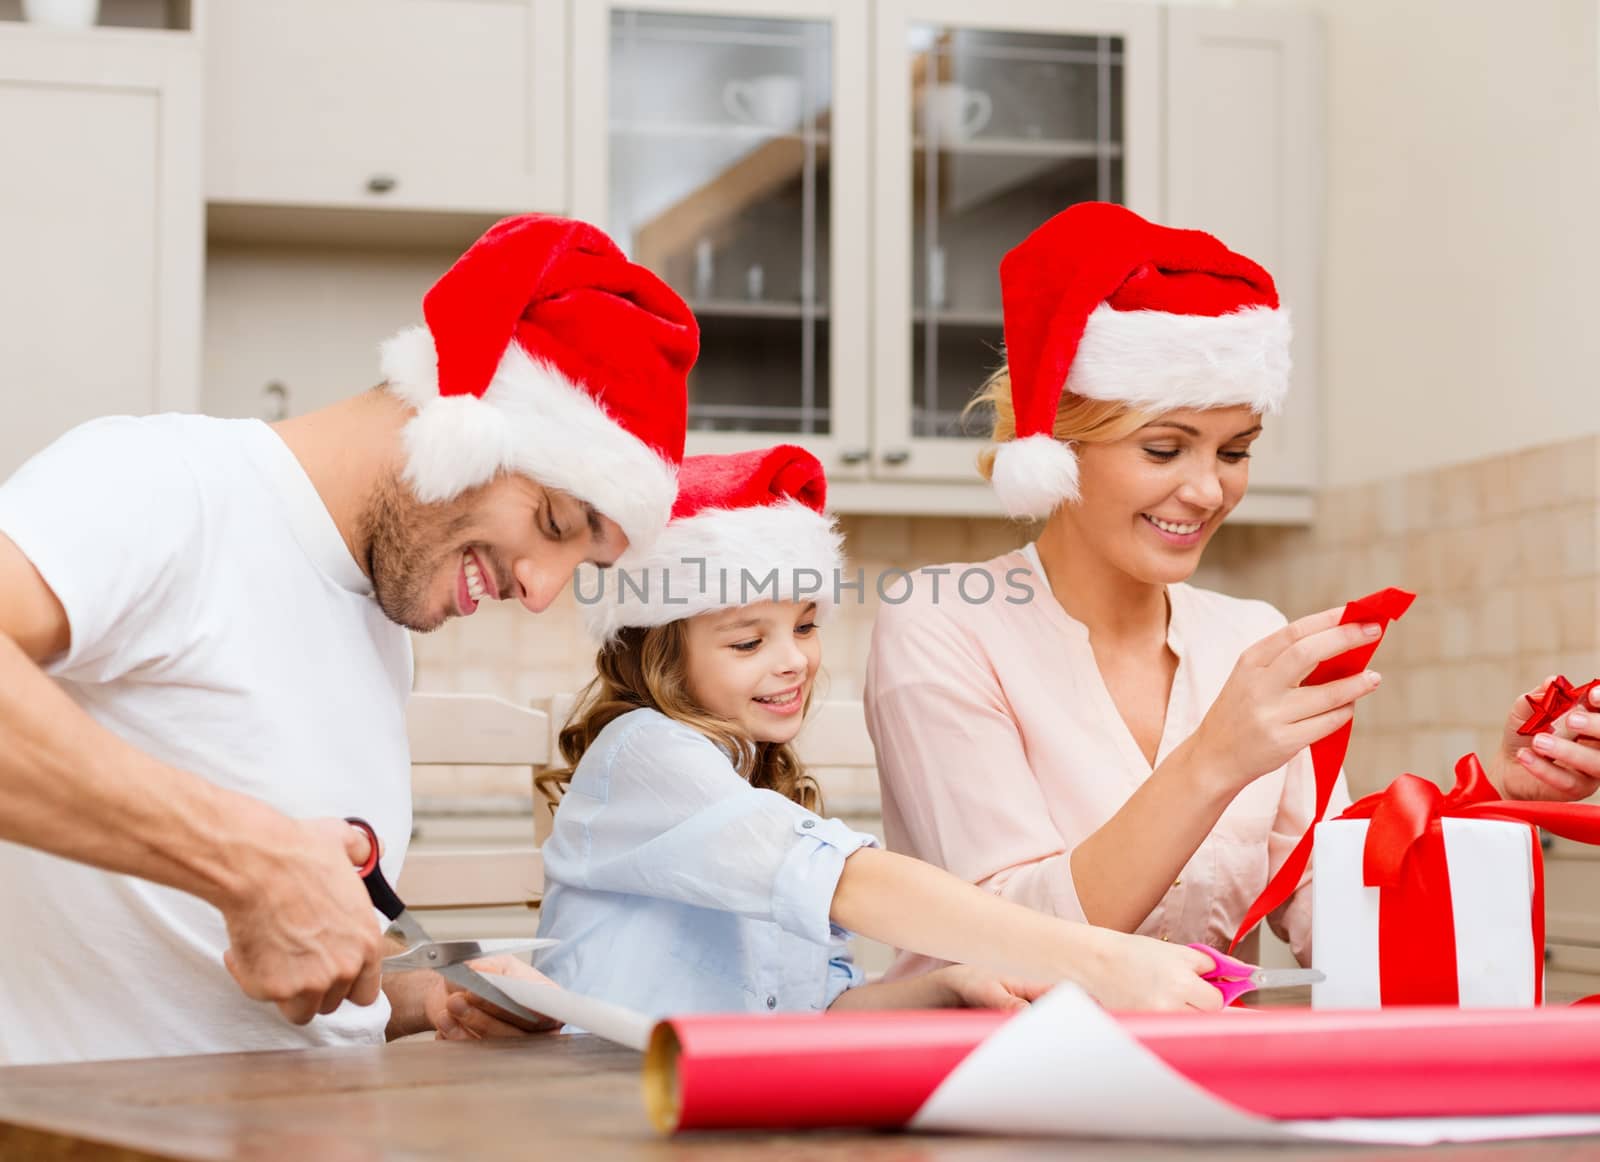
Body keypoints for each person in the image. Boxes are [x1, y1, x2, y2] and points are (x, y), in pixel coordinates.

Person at [0, 214, 697, 1064]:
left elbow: (236, 982)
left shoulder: (381, 628)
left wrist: (429, 993)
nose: (542, 591)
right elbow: (258, 875)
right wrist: (247, 860)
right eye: (556, 520)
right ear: (462, 423)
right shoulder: (165, 485)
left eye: (584, 565)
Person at [864, 202, 1599, 982]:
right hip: (992, 1083)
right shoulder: (944, 620)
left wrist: (1492, 796)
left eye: (1236, 450)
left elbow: (1342, 932)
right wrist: (1215, 760)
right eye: (1164, 448)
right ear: (1058, 442)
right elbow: (1008, 944)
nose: (1209, 490)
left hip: (1212, 1080)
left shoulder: (1249, 636)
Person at [517, 443, 1222, 1031]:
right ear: (660, 656)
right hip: (601, 1102)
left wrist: (945, 990)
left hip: (724, 1108)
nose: (792, 659)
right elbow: (851, 881)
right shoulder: (644, 754)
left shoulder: (753, 786)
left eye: (803, 626)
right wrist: (1096, 959)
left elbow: (815, 1013)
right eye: (746, 642)